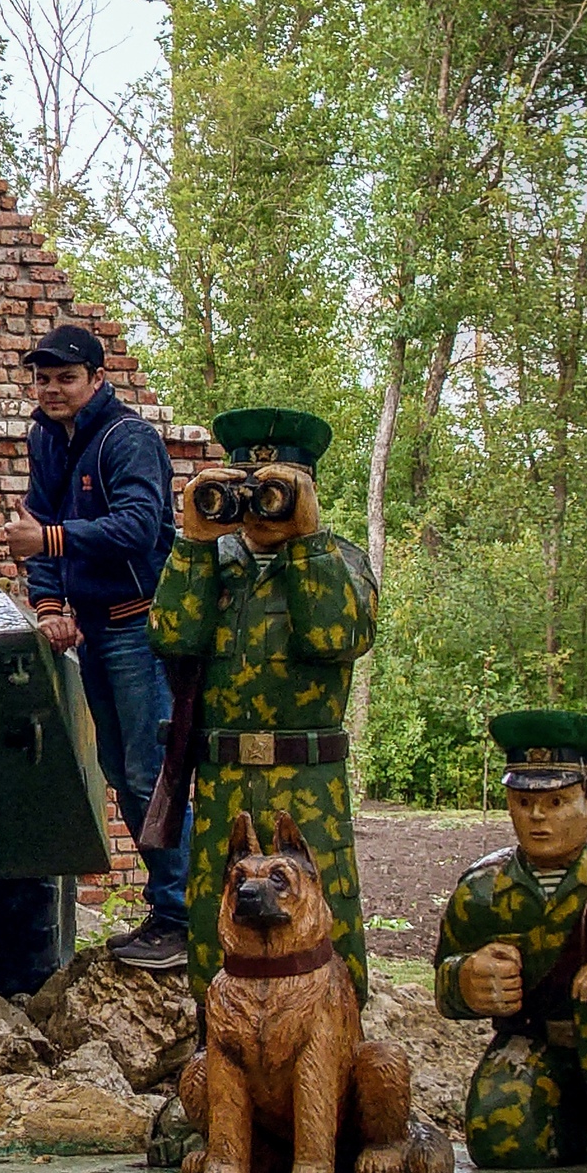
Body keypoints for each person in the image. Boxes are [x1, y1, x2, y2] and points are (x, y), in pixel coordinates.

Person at [148, 408, 378, 1002]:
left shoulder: (340, 561)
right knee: (214, 915)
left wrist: (307, 542)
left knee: (322, 904)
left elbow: (335, 639)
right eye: (247, 490)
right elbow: (171, 636)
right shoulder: (211, 562)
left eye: (274, 490)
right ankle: (216, 1050)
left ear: (308, 489)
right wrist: (195, 541)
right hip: (223, 775)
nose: (259, 508)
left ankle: (339, 1049)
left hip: (308, 775)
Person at [0, 323, 190, 972]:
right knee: (121, 775)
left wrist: (50, 542)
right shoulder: (49, 439)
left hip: (142, 628)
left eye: (65, 378)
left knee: (149, 775)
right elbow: (37, 521)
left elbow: (139, 529)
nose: (52, 389)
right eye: (43, 378)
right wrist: (50, 605)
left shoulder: (126, 439)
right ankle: (171, 913)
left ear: (96, 380)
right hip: (98, 629)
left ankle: (183, 915)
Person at [433, 710, 587, 1172]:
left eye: (557, 803)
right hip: (541, 1043)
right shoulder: (482, 889)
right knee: (500, 1141)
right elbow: (444, 980)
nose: (538, 818)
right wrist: (467, 980)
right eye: (523, 803)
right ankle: (574, 1126)